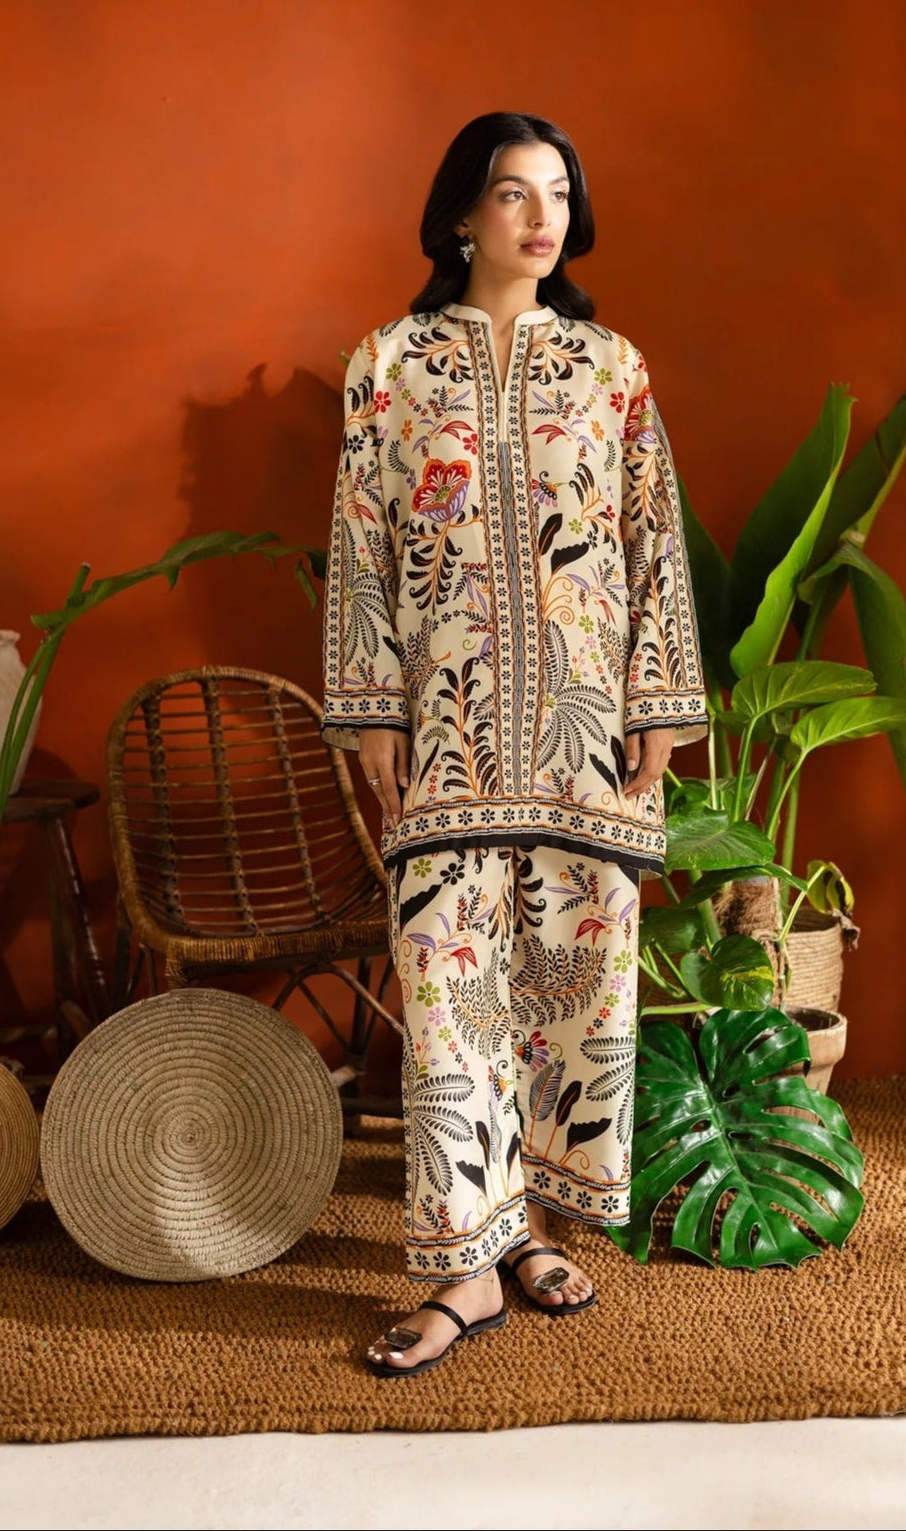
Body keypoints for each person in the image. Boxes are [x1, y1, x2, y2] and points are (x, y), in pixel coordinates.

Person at [322, 111, 708, 1377]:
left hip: (584, 740)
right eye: (509, 193)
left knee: (565, 993)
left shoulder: (611, 368)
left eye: (555, 195)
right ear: (459, 215)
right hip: (441, 735)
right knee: (450, 997)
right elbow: (363, 555)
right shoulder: (388, 366)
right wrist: (370, 707)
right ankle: (458, 1274)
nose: (537, 217)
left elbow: (651, 544)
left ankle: (530, 1229)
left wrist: (656, 699)